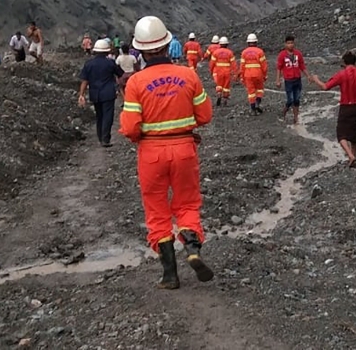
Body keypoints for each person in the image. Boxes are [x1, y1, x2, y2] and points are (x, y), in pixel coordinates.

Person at [120, 16, 213, 290]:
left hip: (151, 153)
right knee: (187, 204)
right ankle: (193, 248)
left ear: (141, 50)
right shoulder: (189, 75)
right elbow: (205, 115)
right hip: (184, 149)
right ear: (166, 44)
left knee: (157, 211)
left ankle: (170, 275)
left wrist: (140, 136)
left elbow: (130, 127)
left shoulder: (135, 83)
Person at [310, 51, 356, 168]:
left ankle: (350, 155)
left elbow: (325, 87)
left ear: (344, 63)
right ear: (355, 62)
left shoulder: (341, 74)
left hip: (346, 106)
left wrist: (316, 79)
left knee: (341, 134)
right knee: (354, 131)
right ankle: (354, 155)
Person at [78, 39, 124, 147]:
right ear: (107, 51)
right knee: (108, 116)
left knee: (99, 116)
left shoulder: (89, 64)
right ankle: (105, 139)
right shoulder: (110, 63)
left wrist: (81, 94)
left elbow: (84, 80)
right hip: (108, 93)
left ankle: (100, 137)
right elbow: (120, 74)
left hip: (95, 93)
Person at [276, 35, 310, 124]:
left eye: (292, 43)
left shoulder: (298, 54)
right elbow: (279, 68)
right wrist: (278, 80)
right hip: (288, 80)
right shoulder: (282, 55)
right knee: (290, 99)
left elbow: (302, 66)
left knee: (297, 99)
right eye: (288, 43)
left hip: (297, 79)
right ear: (285, 44)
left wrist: (308, 76)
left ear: (294, 43)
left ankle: (295, 117)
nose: (290, 45)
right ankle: (285, 110)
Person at [240, 33, 268, 115]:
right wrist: (265, 75)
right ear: (256, 42)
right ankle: (257, 102)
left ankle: (253, 109)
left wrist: (242, 76)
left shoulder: (244, 52)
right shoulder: (260, 51)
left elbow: (242, 66)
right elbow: (264, 65)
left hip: (247, 74)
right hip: (258, 73)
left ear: (248, 43)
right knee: (259, 89)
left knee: (251, 92)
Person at [209, 36, 238, 107]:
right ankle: (225, 99)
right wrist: (235, 73)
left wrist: (211, 70)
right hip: (227, 72)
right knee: (226, 86)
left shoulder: (216, 52)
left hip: (219, 72)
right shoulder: (230, 53)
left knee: (219, 85)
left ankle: (219, 94)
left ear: (220, 44)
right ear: (227, 44)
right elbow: (234, 64)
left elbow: (212, 63)